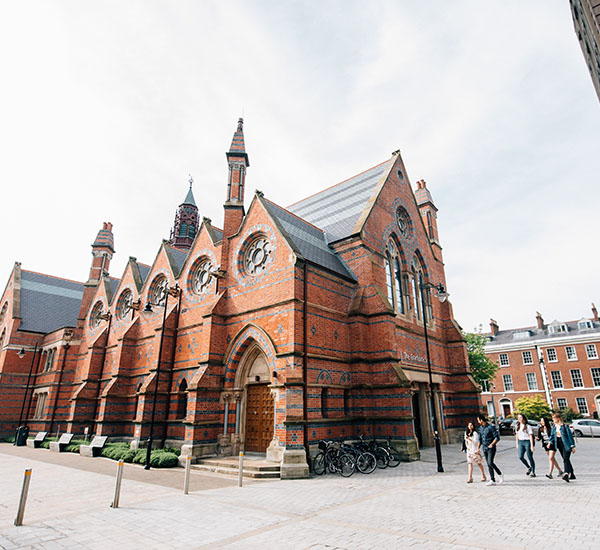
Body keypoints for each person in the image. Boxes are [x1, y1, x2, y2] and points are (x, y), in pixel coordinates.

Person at [477, 414, 503, 485]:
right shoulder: (480, 428)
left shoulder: (491, 427)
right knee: (488, 464)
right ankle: (492, 479)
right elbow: (480, 439)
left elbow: (497, 437)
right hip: (484, 448)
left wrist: (492, 444)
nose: (478, 422)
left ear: (481, 420)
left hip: (491, 448)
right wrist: (478, 448)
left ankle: (500, 475)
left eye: (478, 420)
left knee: (490, 462)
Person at [549, 412, 576, 482]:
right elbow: (552, 436)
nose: (553, 419)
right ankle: (572, 473)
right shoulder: (554, 427)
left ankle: (566, 473)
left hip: (566, 444)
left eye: (554, 418)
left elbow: (570, 436)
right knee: (565, 459)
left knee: (565, 459)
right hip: (559, 444)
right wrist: (550, 442)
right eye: (552, 418)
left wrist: (572, 446)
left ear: (558, 418)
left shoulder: (564, 426)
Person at [515, 413, 536, 477]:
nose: (519, 419)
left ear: (523, 418)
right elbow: (517, 435)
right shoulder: (517, 426)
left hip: (527, 441)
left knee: (529, 456)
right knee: (520, 456)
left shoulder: (527, 426)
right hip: (521, 442)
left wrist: (532, 446)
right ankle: (528, 467)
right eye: (518, 418)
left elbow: (531, 436)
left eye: (520, 417)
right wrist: (517, 443)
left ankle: (533, 471)